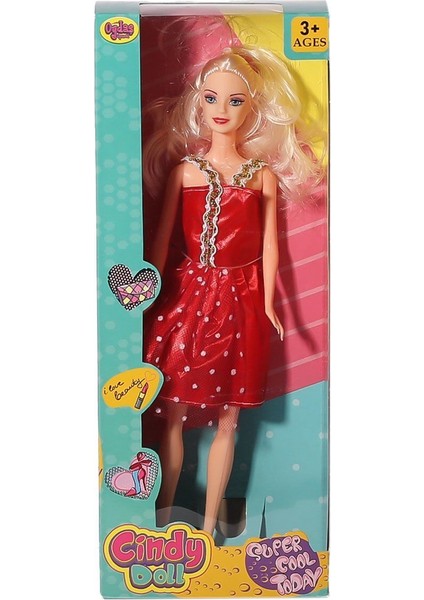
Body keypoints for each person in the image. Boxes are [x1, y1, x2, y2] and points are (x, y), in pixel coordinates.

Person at [142, 46, 322, 534]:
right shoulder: (185, 172)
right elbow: (161, 241)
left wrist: (269, 302)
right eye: (211, 98)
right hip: (187, 295)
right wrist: (148, 292)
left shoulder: (261, 176)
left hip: (241, 298)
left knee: (228, 419)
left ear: (252, 108)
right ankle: (161, 515)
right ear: (197, 103)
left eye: (235, 101)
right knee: (173, 413)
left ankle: (206, 529)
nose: (221, 109)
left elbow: (270, 246)